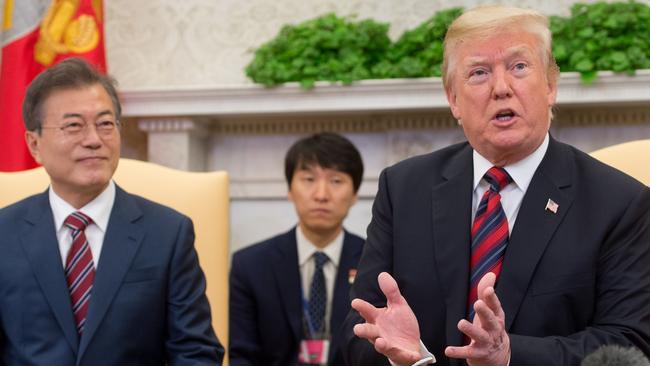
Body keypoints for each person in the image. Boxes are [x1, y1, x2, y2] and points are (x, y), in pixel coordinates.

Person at [341, 5, 650, 366]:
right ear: (453, 99)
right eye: (478, 72)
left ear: (550, 85)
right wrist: (407, 357)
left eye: (519, 67)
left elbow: (630, 343)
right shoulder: (404, 187)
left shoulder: (620, 202)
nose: (501, 88)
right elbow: (359, 328)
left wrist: (509, 355)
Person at [0, 58, 224, 365]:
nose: (94, 140)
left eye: (105, 124)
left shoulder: (168, 233)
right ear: (34, 143)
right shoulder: (4, 233)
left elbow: (196, 353)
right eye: (74, 126)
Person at [229, 132, 365, 366]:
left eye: (336, 181)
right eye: (309, 179)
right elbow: (242, 355)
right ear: (290, 190)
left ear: (354, 195)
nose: (321, 195)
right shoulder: (250, 266)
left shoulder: (375, 262)